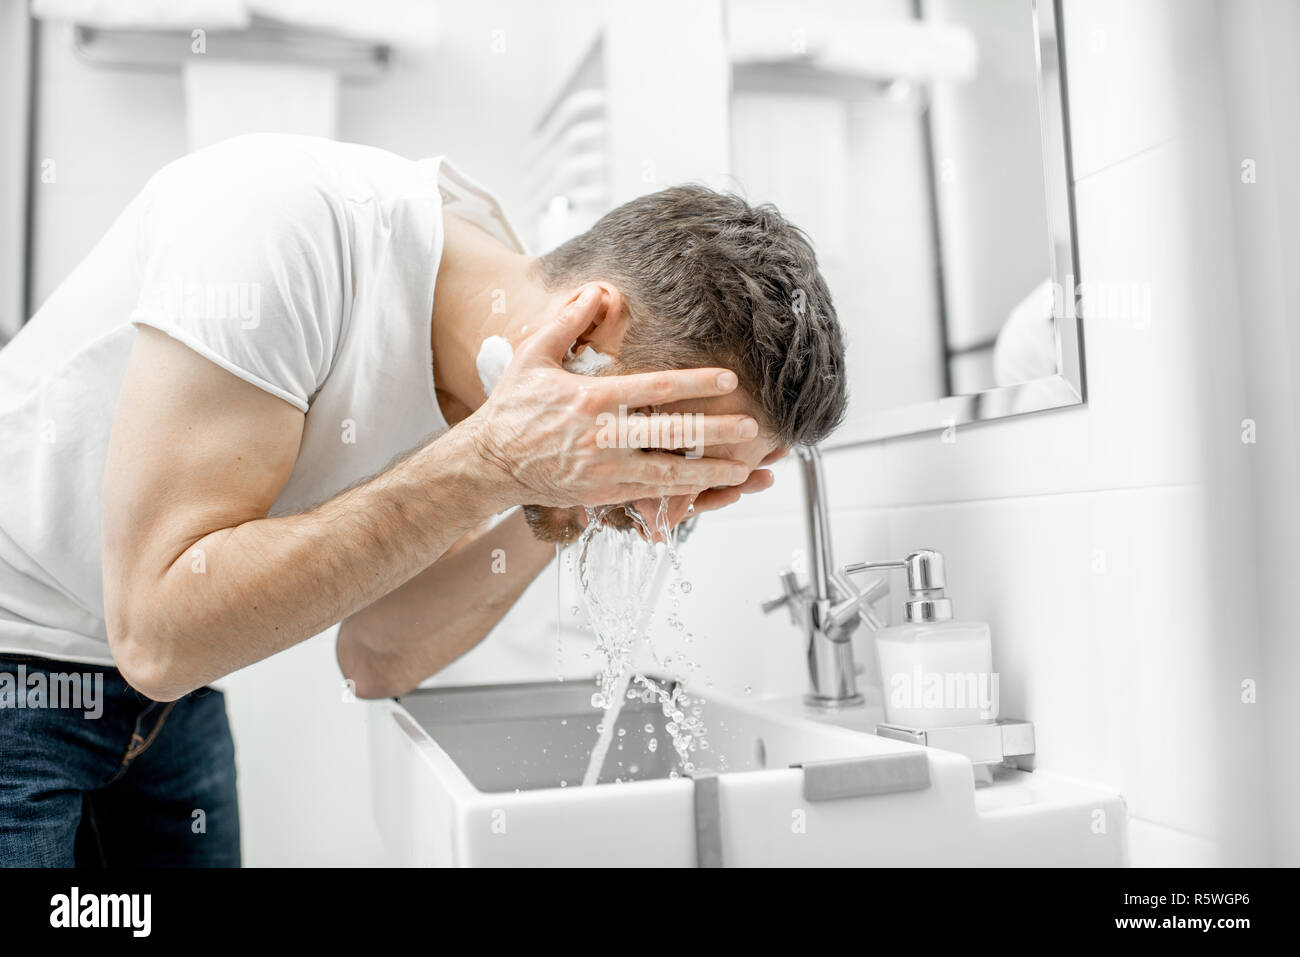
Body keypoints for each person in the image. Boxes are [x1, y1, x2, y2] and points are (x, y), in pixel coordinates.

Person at [0, 133, 847, 866]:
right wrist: (492, 462)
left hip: (167, 708)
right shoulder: (281, 228)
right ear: (591, 333)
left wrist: (561, 501)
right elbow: (157, 628)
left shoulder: (506, 371)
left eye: (699, 492)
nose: (664, 517)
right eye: (672, 458)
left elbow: (375, 655)